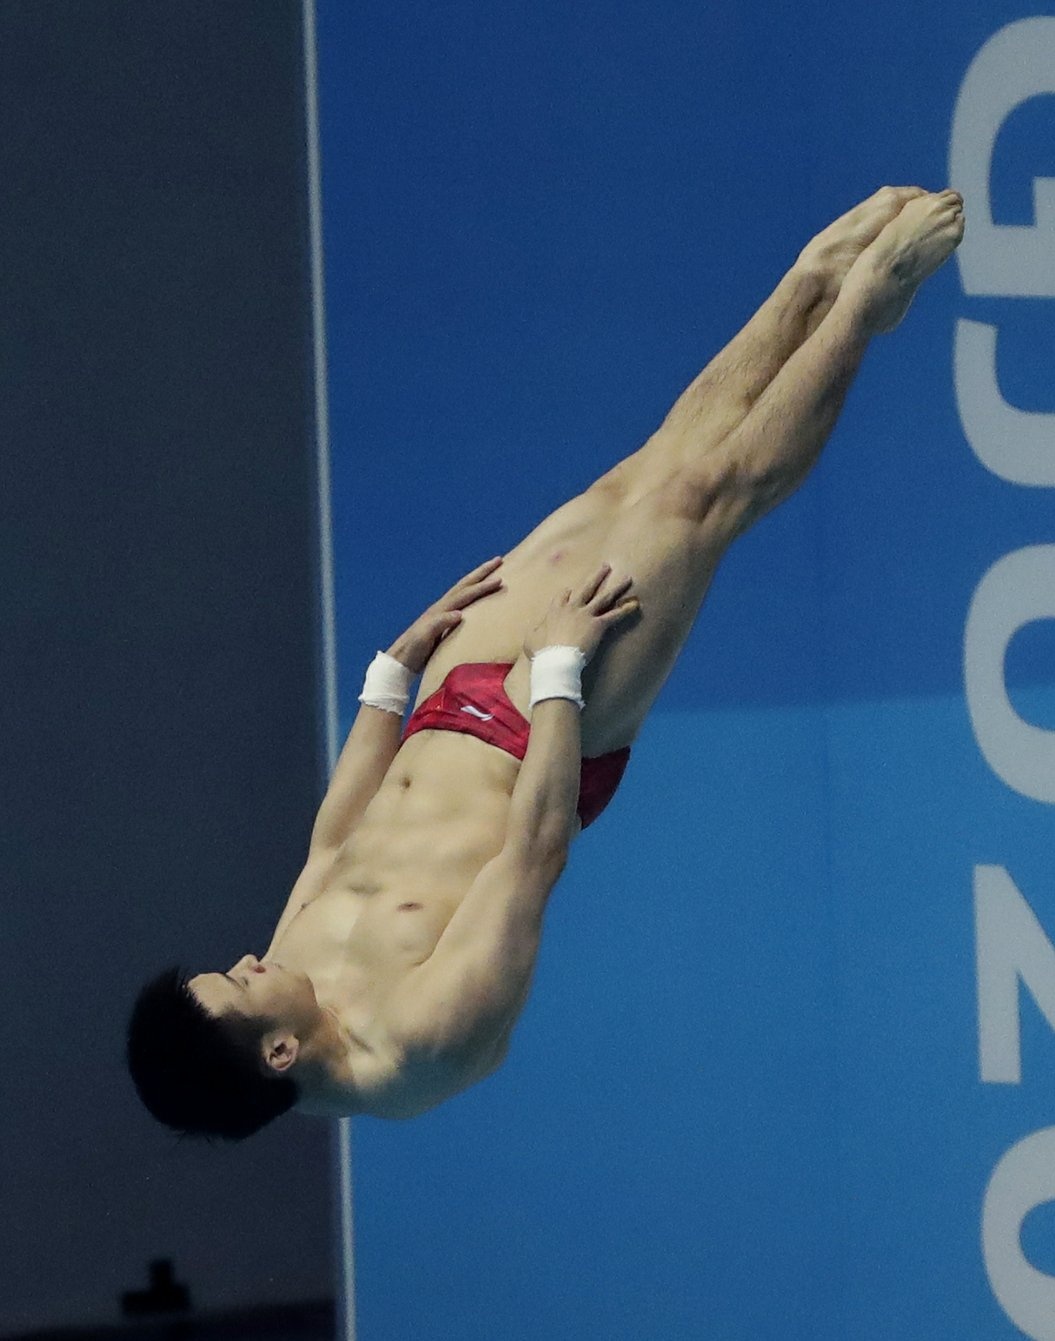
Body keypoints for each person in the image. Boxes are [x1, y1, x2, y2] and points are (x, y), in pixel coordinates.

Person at [127, 187, 965, 1138]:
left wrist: (389, 680)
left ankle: (809, 283)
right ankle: (863, 307)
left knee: (642, 473)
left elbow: (334, 842)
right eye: (240, 982)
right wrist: (563, 667)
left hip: (447, 704)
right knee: (703, 499)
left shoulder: (286, 983)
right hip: (546, 734)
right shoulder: (419, 1046)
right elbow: (535, 853)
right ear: (278, 1053)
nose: (248, 959)